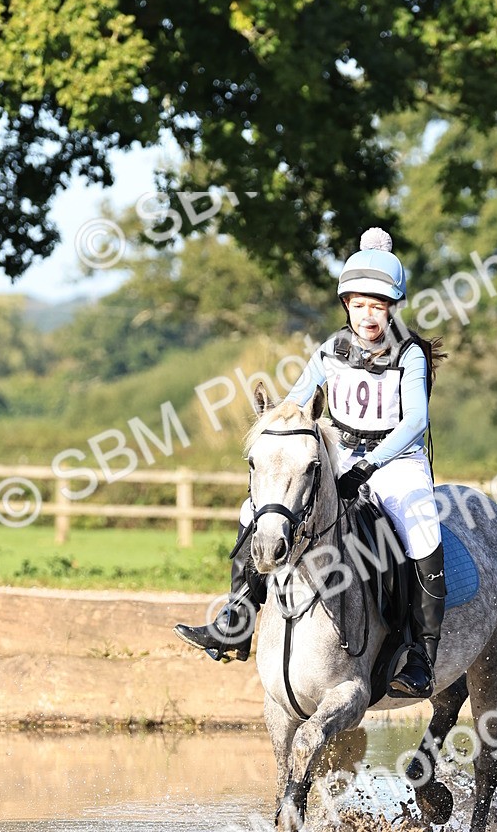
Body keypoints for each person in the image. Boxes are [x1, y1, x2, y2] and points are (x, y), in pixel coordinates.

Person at [174, 227, 446, 698]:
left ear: (392, 307)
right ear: (347, 305)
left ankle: (420, 653)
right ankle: (237, 618)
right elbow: (297, 402)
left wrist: (369, 465)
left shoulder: (409, 354)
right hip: (339, 455)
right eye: (358, 305)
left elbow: (415, 422)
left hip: (397, 460)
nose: (367, 316)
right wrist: (275, 425)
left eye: (377, 306)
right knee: (255, 512)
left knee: (420, 526)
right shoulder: (330, 351)